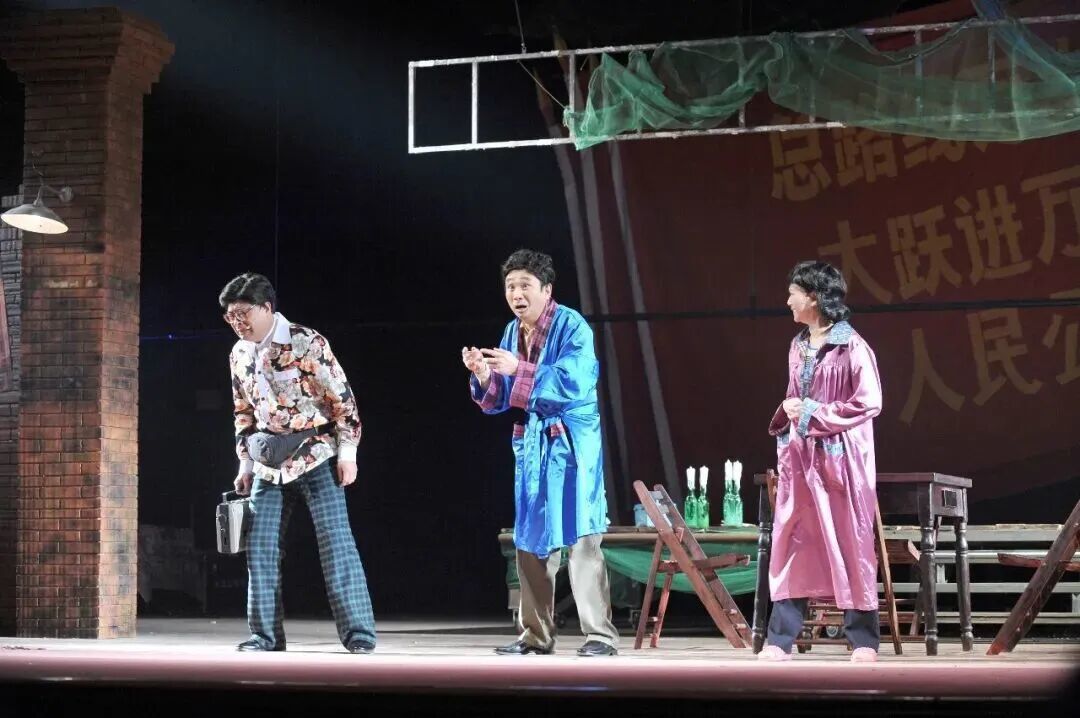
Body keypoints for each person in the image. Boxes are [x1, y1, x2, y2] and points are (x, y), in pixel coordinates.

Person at [462, 249, 619, 657]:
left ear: (547, 290)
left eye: (525, 285)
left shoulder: (572, 326)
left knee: (582, 536)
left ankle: (599, 635)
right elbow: (500, 398)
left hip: (572, 442)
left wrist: (519, 370)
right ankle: (535, 634)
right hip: (534, 444)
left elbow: (574, 381)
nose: (516, 294)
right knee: (530, 538)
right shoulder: (511, 332)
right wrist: (484, 374)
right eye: (510, 286)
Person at [220, 272, 376, 654]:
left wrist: (349, 454)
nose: (237, 322)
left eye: (243, 313)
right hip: (267, 462)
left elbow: (343, 402)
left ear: (266, 308)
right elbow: (242, 412)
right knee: (259, 548)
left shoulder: (306, 342)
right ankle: (265, 637)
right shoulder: (239, 353)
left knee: (336, 543)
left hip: (315, 453)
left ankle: (359, 635)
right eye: (230, 316)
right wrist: (244, 465)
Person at [760, 260, 883, 662]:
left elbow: (869, 402)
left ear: (813, 298)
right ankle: (780, 639)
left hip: (841, 462)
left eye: (793, 293)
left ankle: (863, 639)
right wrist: (789, 409)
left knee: (848, 540)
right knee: (793, 539)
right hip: (801, 460)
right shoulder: (797, 346)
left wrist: (814, 412)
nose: (788, 301)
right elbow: (794, 395)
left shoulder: (852, 346)